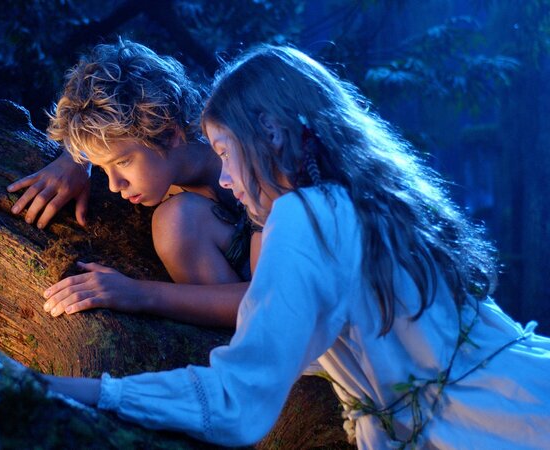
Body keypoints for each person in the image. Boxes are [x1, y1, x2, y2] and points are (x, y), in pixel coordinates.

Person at [42, 45, 550, 448]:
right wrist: (74, 159)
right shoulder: (365, 200)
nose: (225, 177)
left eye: (225, 151)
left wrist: (68, 389)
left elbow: (235, 401)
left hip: (501, 425)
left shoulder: (304, 215)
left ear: (271, 134)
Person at [8, 40, 260, 327]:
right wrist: (76, 160)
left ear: (169, 134)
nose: (114, 185)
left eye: (123, 162)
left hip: (289, 304)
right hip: (252, 294)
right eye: (103, 168)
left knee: (175, 220)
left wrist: (138, 293)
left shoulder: (250, 157)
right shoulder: (157, 167)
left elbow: (276, 299)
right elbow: (113, 137)